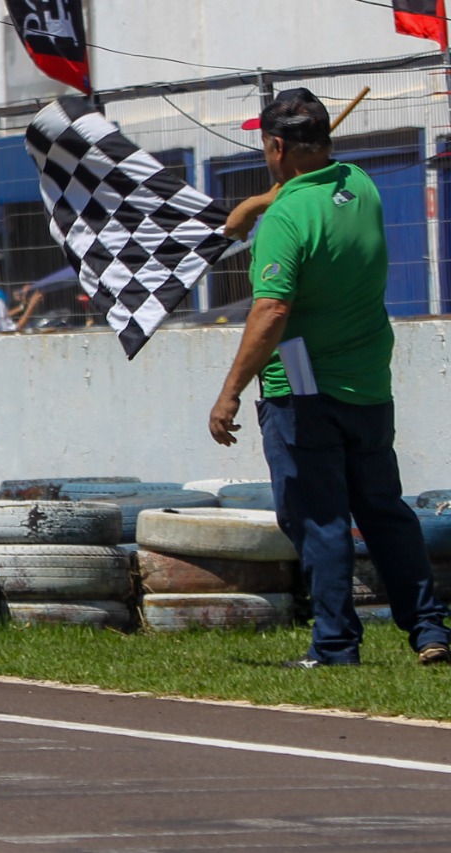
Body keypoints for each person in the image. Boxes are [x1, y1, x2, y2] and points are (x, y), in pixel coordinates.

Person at [208, 87, 451, 668]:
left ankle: (336, 644)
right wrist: (265, 200)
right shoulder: (359, 186)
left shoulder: (286, 218)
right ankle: (428, 630)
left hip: (301, 391)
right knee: (385, 510)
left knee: (316, 517)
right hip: (368, 380)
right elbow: (289, 199)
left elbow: (270, 311)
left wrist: (229, 392)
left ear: (274, 145)